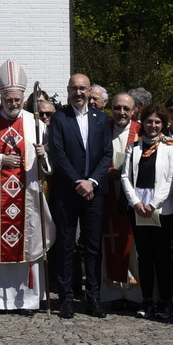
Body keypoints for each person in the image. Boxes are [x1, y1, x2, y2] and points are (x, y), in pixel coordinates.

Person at [0, 61, 55, 313]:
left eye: (18, 99)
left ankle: (26, 301)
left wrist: (43, 155)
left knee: (28, 242)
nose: (14, 103)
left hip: (27, 196)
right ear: (1, 97)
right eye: (9, 99)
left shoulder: (36, 124)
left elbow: (50, 162)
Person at [45, 71, 112, 320]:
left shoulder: (101, 119)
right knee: (65, 246)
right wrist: (78, 182)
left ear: (89, 91)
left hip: (95, 192)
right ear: (68, 90)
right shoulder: (60, 119)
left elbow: (106, 154)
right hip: (67, 191)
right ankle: (66, 298)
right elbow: (59, 154)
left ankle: (93, 297)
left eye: (83, 89)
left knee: (93, 247)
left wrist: (92, 181)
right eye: (74, 88)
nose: (79, 93)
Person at [125, 106, 173, 319]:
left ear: (163, 124)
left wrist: (154, 203)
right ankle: (146, 299)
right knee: (144, 257)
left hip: (163, 210)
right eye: (149, 122)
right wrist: (136, 202)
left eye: (157, 122)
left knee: (164, 257)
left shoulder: (171, 148)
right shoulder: (134, 148)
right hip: (139, 209)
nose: (153, 126)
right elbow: (125, 177)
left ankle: (165, 301)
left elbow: (171, 179)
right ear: (143, 123)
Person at [102, 92, 140, 306]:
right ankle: (111, 292)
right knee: (109, 243)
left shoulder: (140, 131)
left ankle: (133, 293)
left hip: (131, 198)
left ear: (133, 111)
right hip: (108, 194)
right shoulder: (102, 130)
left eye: (126, 109)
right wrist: (106, 173)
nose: (121, 113)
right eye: (117, 108)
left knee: (132, 245)